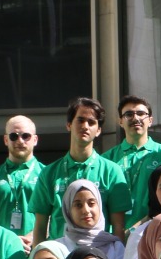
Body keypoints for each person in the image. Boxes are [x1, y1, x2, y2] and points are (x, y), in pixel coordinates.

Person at [32, 98, 130, 240]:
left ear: (98, 130)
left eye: (91, 122)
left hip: (99, 251)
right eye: (80, 120)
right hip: (59, 252)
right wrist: (38, 253)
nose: (85, 126)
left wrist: (117, 253)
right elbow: (40, 227)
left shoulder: (112, 171)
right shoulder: (49, 173)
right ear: (69, 125)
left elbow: (118, 226)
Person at [103, 96, 161, 221]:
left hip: (152, 226)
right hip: (115, 229)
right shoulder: (107, 159)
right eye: (129, 114)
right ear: (120, 121)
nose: (135, 118)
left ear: (150, 120)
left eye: (141, 114)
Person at [55, 181, 126, 259]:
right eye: (78, 205)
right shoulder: (57, 248)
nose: (86, 210)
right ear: (68, 210)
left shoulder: (115, 247)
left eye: (91, 203)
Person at [0, 115, 44, 245]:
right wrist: (9, 240)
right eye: (14, 136)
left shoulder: (47, 174)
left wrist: (33, 237)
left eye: (26, 136)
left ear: (35, 140)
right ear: (6, 140)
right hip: (1, 247)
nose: (20, 141)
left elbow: (55, 214)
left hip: (36, 246)